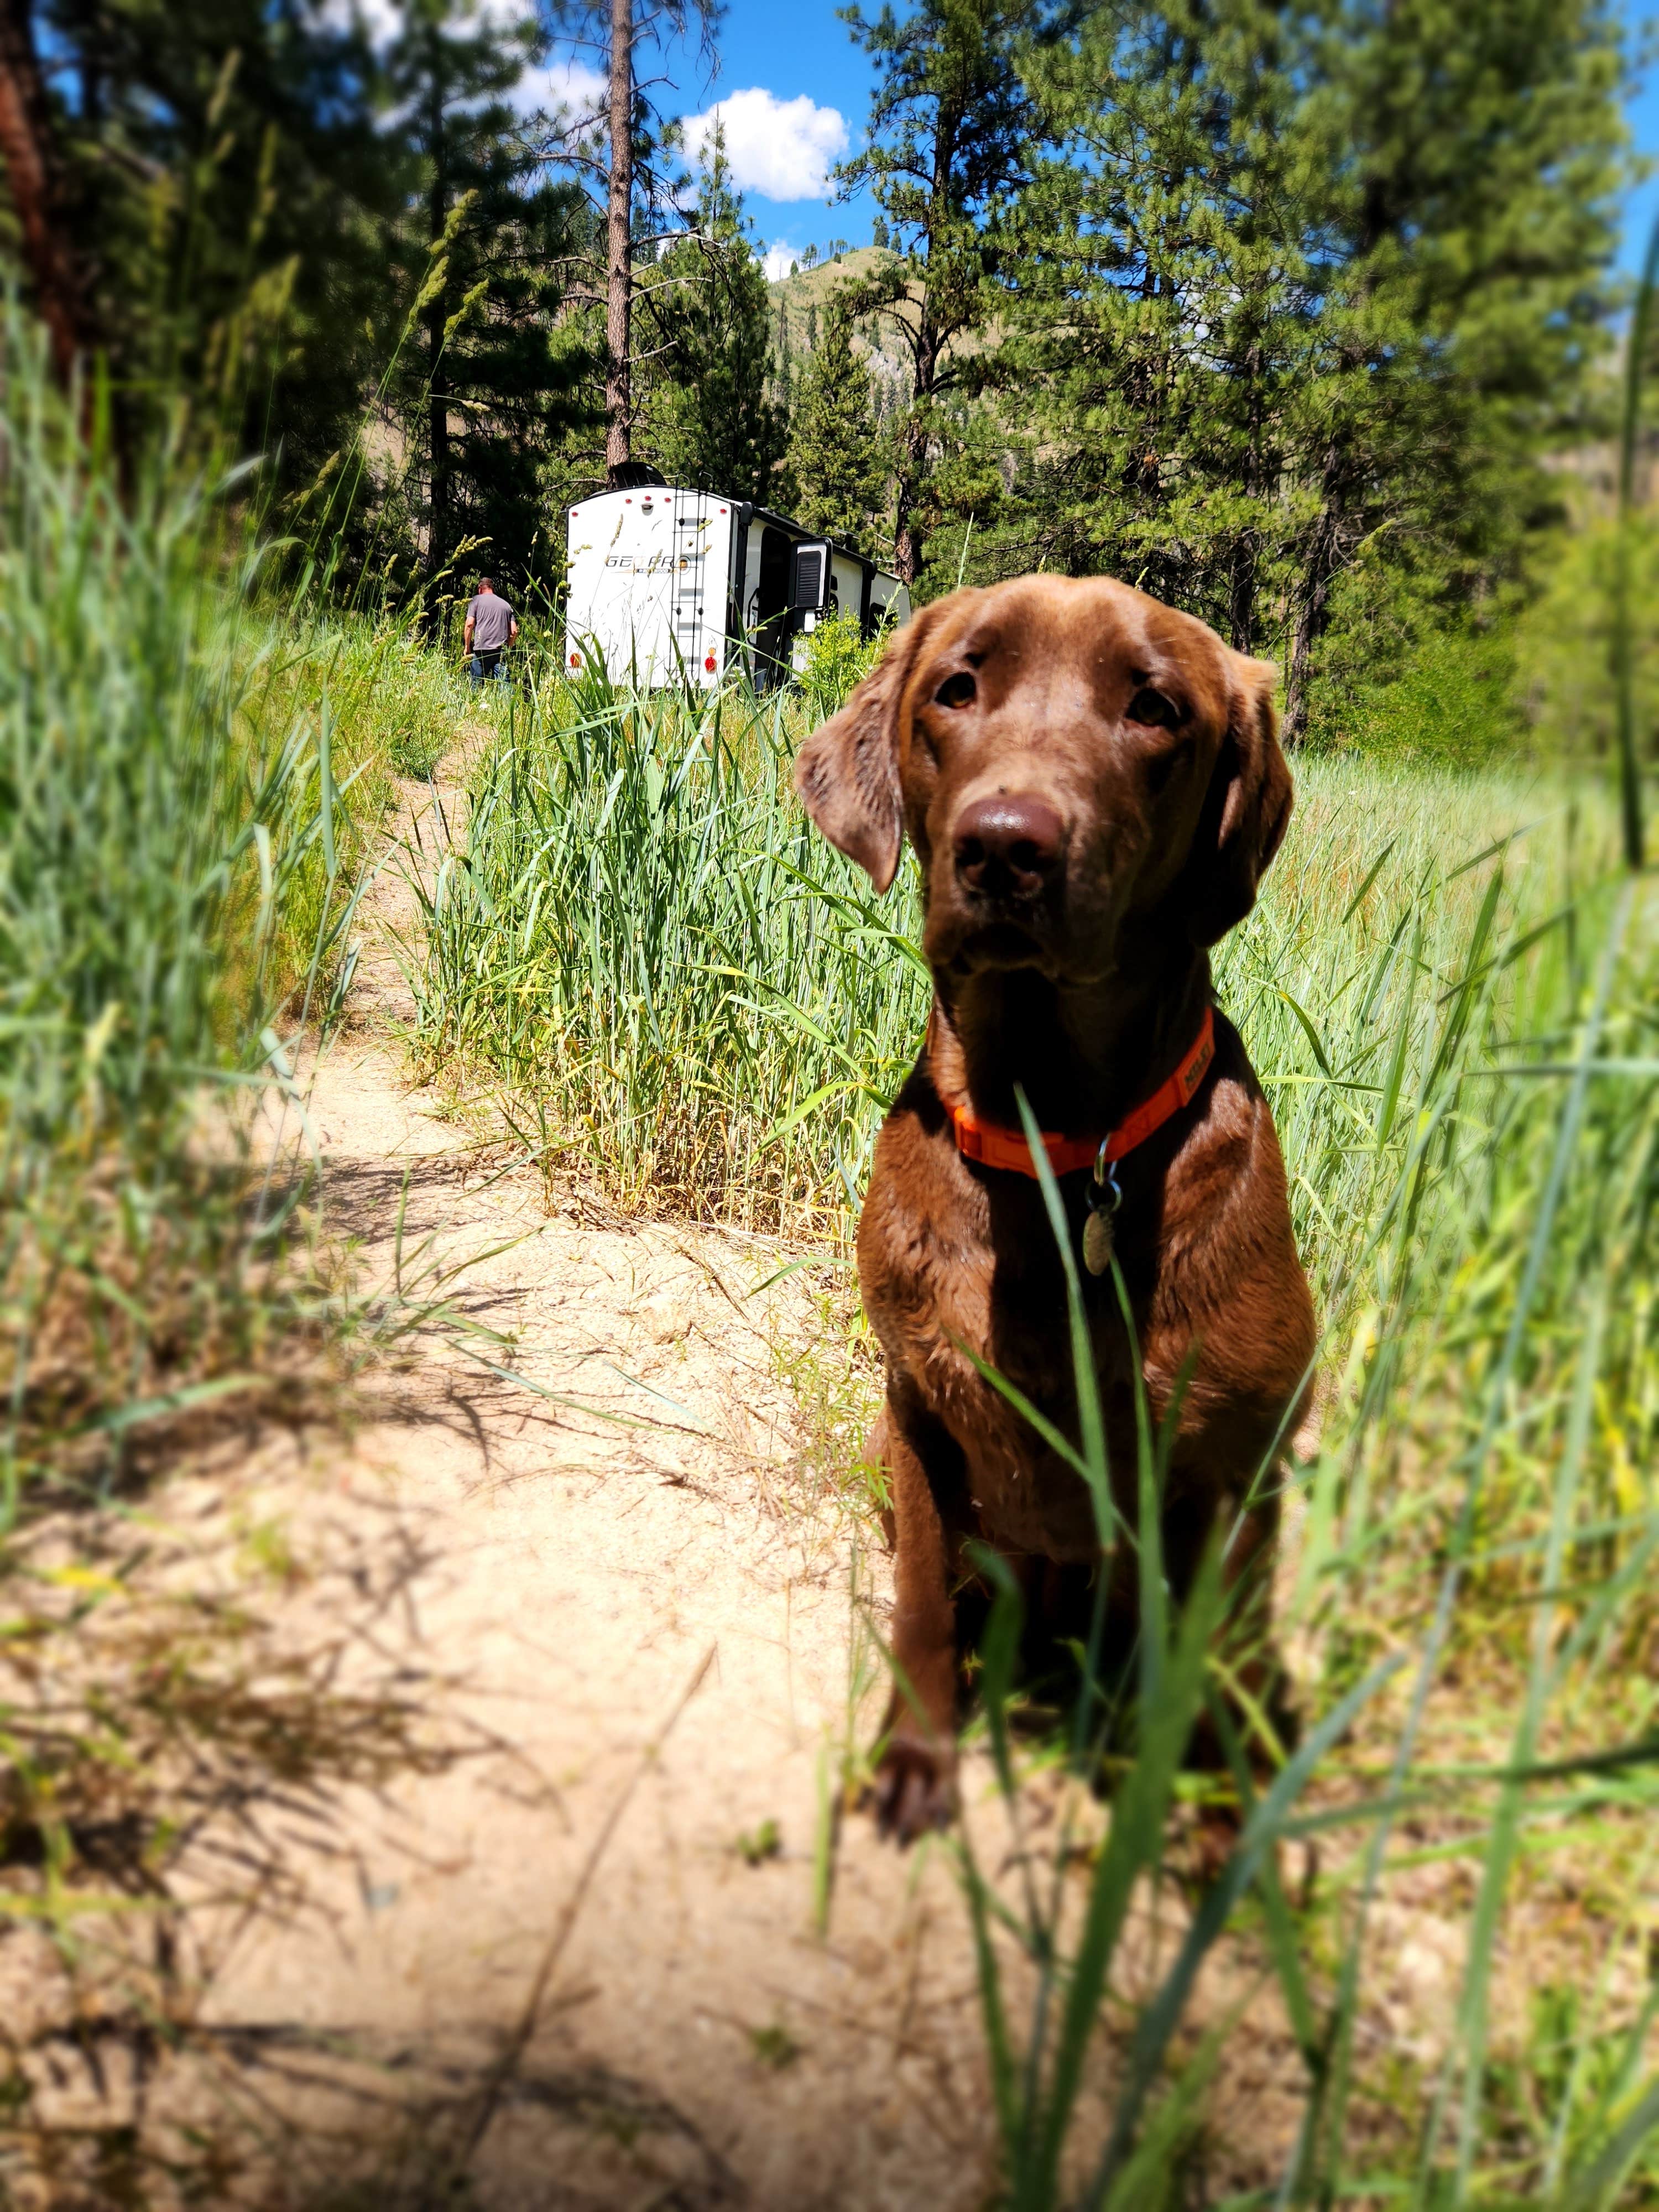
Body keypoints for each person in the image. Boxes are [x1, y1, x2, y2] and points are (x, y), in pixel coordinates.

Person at [463, 577, 518, 685]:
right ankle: (507, 702)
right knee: (505, 687)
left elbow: (469, 624)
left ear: (480, 589)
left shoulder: (475, 601)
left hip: (481, 651)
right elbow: (514, 631)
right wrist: (509, 648)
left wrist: (467, 647)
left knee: (476, 687)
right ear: (492, 589)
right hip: (500, 652)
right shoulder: (506, 605)